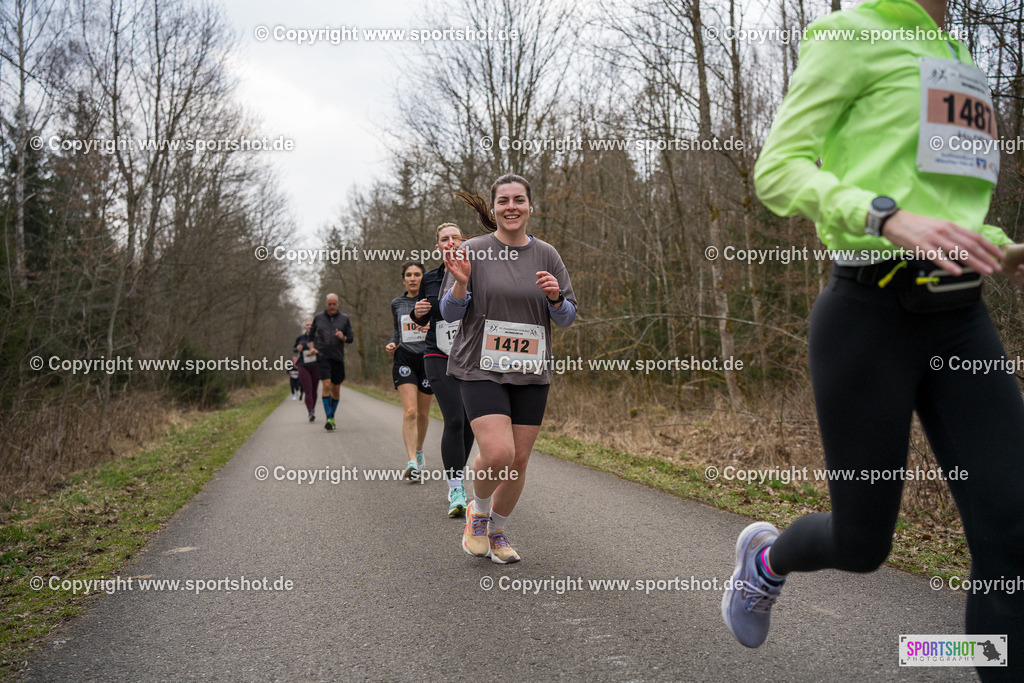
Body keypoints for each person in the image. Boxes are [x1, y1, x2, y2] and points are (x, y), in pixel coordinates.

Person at [721, 1, 1024, 679]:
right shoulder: (849, 34)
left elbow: (950, 210)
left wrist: (1000, 248)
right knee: (863, 544)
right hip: (868, 312)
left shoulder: (962, 61)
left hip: (961, 316)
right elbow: (779, 169)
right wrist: (882, 216)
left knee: (1013, 531)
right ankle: (764, 561)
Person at [441, 173, 577, 564]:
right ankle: (479, 514)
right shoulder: (473, 250)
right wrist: (461, 285)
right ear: (494, 207)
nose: (511, 207)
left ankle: (497, 531)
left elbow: (567, 317)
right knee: (499, 452)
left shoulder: (547, 255)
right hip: (479, 365)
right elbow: (448, 313)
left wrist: (555, 299)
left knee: (517, 462)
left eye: (519, 200)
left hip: (531, 369)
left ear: (530, 206)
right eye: (504, 201)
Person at [411, 224, 474, 516]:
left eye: (455, 238)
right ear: (437, 246)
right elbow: (420, 314)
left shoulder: (477, 271)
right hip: (437, 352)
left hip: (470, 354)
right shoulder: (429, 278)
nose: (450, 242)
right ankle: (456, 488)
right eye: (444, 239)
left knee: (470, 421)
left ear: (464, 242)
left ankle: (456, 474)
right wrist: (417, 314)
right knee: (454, 419)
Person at [385, 262, 434, 480]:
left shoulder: (431, 301)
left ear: (423, 278)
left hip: (428, 360)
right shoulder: (397, 303)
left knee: (423, 413)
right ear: (403, 279)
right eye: (408, 275)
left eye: (417, 274)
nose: (412, 278)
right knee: (411, 411)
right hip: (404, 358)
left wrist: (431, 328)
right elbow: (397, 330)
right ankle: (412, 461)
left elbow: (443, 327)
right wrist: (392, 343)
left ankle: (419, 450)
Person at [308, 294, 354, 431]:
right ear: (326, 304)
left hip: (338, 358)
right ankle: (328, 417)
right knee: (326, 385)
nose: (332, 306)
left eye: (334, 304)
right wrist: (312, 348)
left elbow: (350, 338)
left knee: (336, 389)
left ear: (337, 304)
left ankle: (331, 417)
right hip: (323, 356)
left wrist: (343, 337)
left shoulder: (344, 318)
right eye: (330, 304)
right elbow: (311, 336)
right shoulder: (318, 317)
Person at [294, 319, 320, 422]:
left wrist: (315, 349)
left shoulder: (318, 338)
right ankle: (310, 412)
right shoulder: (300, 338)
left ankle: (312, 408)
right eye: (307, 324)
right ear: (305, 327)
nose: (309, 326)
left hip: (315, 365)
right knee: (308, 390)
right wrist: (297, 349)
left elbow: (323, 349)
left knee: (314, 390)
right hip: (303, 366)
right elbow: (294, 348)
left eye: (311, 325)